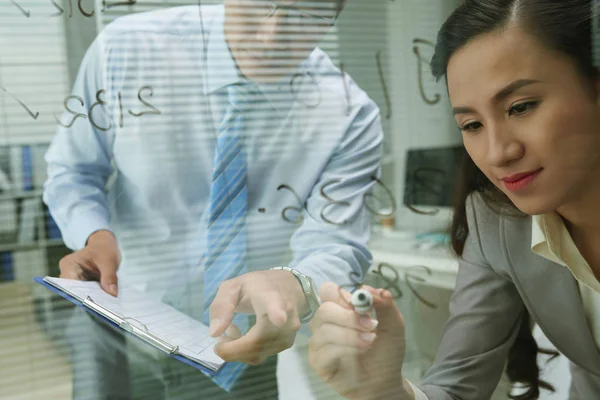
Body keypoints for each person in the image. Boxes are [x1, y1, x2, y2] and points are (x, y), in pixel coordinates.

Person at [43, 0, 384, 399]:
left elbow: (337, 242)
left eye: (304, 16)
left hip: (241, 348)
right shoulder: (126, 49)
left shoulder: (349, 115)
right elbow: (74, 169)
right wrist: (94, 236)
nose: (271, 36)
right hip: (118, 319)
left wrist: (295, 283)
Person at [307, 0, 600, 399]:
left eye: (521, 106)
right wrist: (385, 388)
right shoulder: (498, 220)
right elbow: (456, 387)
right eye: (472, 124)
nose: (498, 153)